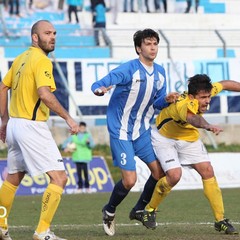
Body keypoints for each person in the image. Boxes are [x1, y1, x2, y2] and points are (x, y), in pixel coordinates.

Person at [91, 28, 179, 236]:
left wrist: (166, 100)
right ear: (139, 48)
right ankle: (109, 210)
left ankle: (140, 208)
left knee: (159, 173)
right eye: (148, 44)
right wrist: (100, 90)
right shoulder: (128, 70)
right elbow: (98, 84)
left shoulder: (160, 73)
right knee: (130, 181)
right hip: (120, 131)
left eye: (155, 44)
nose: (152, 47)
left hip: (141, 131)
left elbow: (157, 104)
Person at [0, 20, 80, 240]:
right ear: (35, 37)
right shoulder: (42, 60)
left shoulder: (20, 59)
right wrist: (68, 118)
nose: (52, 36)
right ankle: (42, 231)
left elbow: (3, 87)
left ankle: (0, 225)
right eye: (47, 33)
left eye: (54, 33)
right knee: (59, 178)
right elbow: (44, 94)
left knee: (13, 178)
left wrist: (5, 121)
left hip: (15, 125)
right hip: (31, 126)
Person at [141, 74, 239, 235]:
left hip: (188, 138)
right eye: (203, 98)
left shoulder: (205, 91)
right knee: (174, 175)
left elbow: (226, 84)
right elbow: (194, 119)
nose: (207, 101)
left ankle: (220, 220)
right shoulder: (182, 104)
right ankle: (150, 210)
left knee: (208, 171)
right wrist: (208, 126)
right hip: (165, 138)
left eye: (208, 96)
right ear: (192, 96)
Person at [62, 121, 95, 194]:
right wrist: (65, 148)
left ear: (85, 128)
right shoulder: (74, 135)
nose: (82, 129)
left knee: (86, 173)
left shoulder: (88, 135)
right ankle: (80, 187)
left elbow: (92, 145)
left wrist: (88, 143)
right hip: (77, 157)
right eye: (81, 127)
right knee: (79, 174)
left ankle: (87, 187)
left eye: (83, 128)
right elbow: (65, 143)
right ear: (79, 127)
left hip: (85, 157)